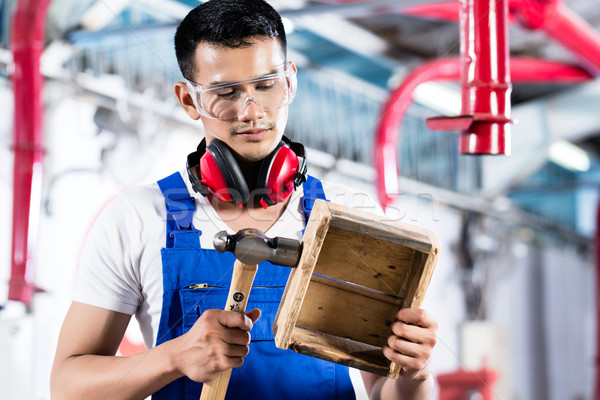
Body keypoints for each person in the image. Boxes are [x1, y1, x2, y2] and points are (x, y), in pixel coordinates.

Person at [50, 0, 438, 399]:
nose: (251, 111)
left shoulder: (347, 218)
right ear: (188, 100)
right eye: (226, 92)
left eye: (266, 85)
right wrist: (174, 357)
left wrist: (413, 374)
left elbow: (383, 391)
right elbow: (67, 387)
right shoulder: (137, 218)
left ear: (290, 82)